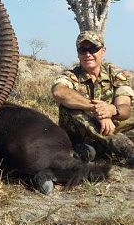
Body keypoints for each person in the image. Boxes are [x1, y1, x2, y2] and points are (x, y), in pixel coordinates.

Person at [52, 30, 134, 167]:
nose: (88, 54)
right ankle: (126, 149)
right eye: (82, 49)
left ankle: (95, 149)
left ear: (103, 50)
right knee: (69, 108)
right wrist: (96, 109)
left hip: (111, 127)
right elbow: (58, 92)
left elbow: (125, 109)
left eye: (93, 49)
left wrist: (112, 110)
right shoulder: (71, 76)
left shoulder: (117, 75)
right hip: (82, 132)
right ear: (78, 53)